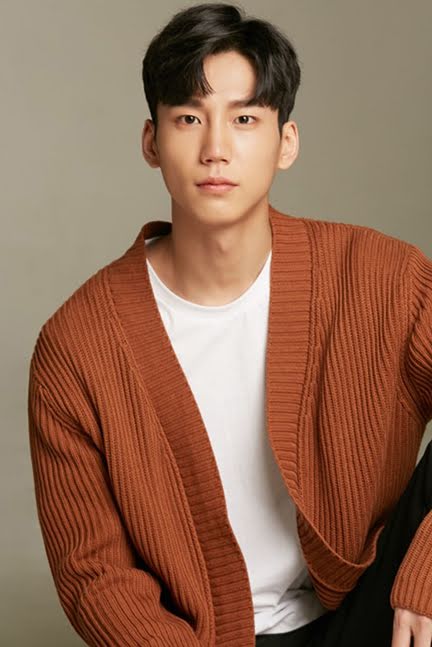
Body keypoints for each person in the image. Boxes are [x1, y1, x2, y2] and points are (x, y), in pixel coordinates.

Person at [27, 3, 432, 646]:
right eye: (189, 118)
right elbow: (93, 573)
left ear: (286, 142)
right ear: (151, 142)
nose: (215, 149)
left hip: (374, 609)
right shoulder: (76, 347)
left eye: (244, 119)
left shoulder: (384, 277)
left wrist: (427, 573)